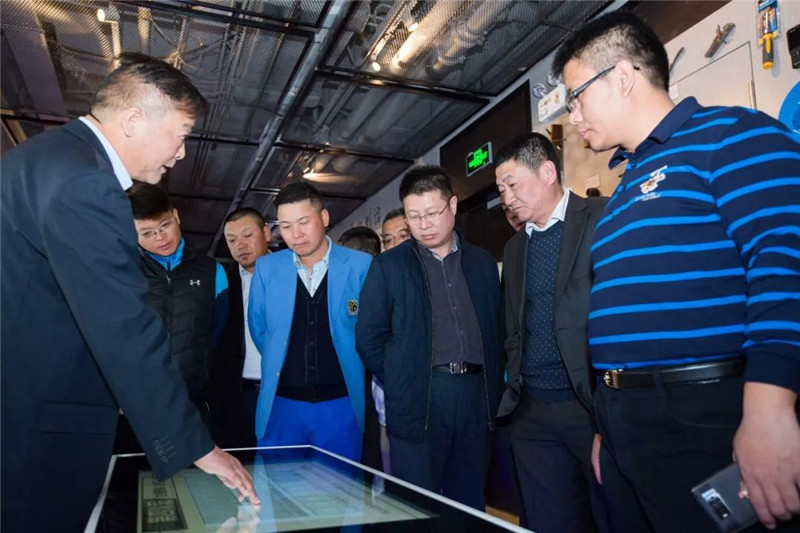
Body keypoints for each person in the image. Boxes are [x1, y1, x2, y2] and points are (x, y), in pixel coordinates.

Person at [553, 10, 800, 532]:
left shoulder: (732, 135)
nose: (572, 116)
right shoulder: (624, 187)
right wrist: (607, 423)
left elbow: (785, 266)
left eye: (576, 97)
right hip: (626, 422)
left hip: (703, 413)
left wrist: (770, 411)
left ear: (622, 76)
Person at [1, 53, 257, 532]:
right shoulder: (86, 184)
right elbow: (122, 327)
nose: (182, 153)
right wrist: (197, 445)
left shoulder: (40, 160)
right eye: (181, 133)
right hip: (40, 427)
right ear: (135, 120)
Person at [356, 165, 504, 510]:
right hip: (419, 399)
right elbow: (368, 337)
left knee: (468, 503)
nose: (423, 224)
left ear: (452, 205)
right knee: (416, 507)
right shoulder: (389, 267)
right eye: (414, 216)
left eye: (432, 213)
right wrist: (402, 377)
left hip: (476, 397)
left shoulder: (482, 263)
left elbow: (497, 329)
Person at [495, 133, 609, 533]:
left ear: (546, 172)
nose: (506, 198)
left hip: (590, 407)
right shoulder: (514, 248)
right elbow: (513, 325)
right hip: (532, 412)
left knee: (610, 514)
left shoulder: (602, 216)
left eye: (512, 184)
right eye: (501, 189)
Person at [248, 182, 371, 461]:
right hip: (281, 404)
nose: (296, 234)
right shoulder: (267, 268)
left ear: (324, 218)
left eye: (304, 222)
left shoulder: (360, 265)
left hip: (340, 403)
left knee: (340, 485)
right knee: (277, 485)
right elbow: (259, 328)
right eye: (286, 226)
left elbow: (369, 331)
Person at [125, 183, 229, 431]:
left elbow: (217, 334)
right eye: (147, 233)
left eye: (165, 226)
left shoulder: (212, 272)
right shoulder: (124, 274)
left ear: (176, 216)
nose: (160, 237)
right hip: (136, 403)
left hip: (193, 402)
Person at [213, 207, 272, 448]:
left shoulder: (294, 274)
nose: (240, 245)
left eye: (248, 235)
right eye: (232, 240)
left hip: (284, 394)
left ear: (266, 233)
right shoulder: (222, 285)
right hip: (239, 397)